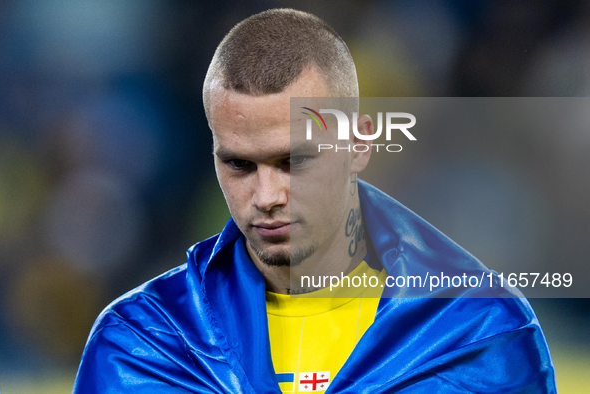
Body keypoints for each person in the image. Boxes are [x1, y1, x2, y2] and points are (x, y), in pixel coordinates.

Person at [73, 8, 557, 393]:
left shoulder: (481, 334)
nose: (266, 197)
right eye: (240, 165)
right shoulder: (140, 344)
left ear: (359, 146)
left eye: (295, 162)